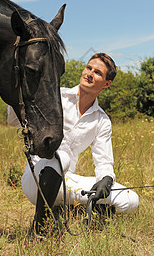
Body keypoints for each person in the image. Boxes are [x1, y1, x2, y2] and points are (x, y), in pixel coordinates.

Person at [7, 53, 139, 235]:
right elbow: (13, 121)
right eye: (88, 68)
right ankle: (39, 229)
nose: (90, 74)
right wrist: (20, 92)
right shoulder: (55, 96)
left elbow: (104, 162)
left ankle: (73, 211)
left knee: (130, 199)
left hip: (66, 183)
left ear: (107, 83)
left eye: (98, 73)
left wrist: (106, 180)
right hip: (36, 178)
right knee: (62, 157)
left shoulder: (102, 120)